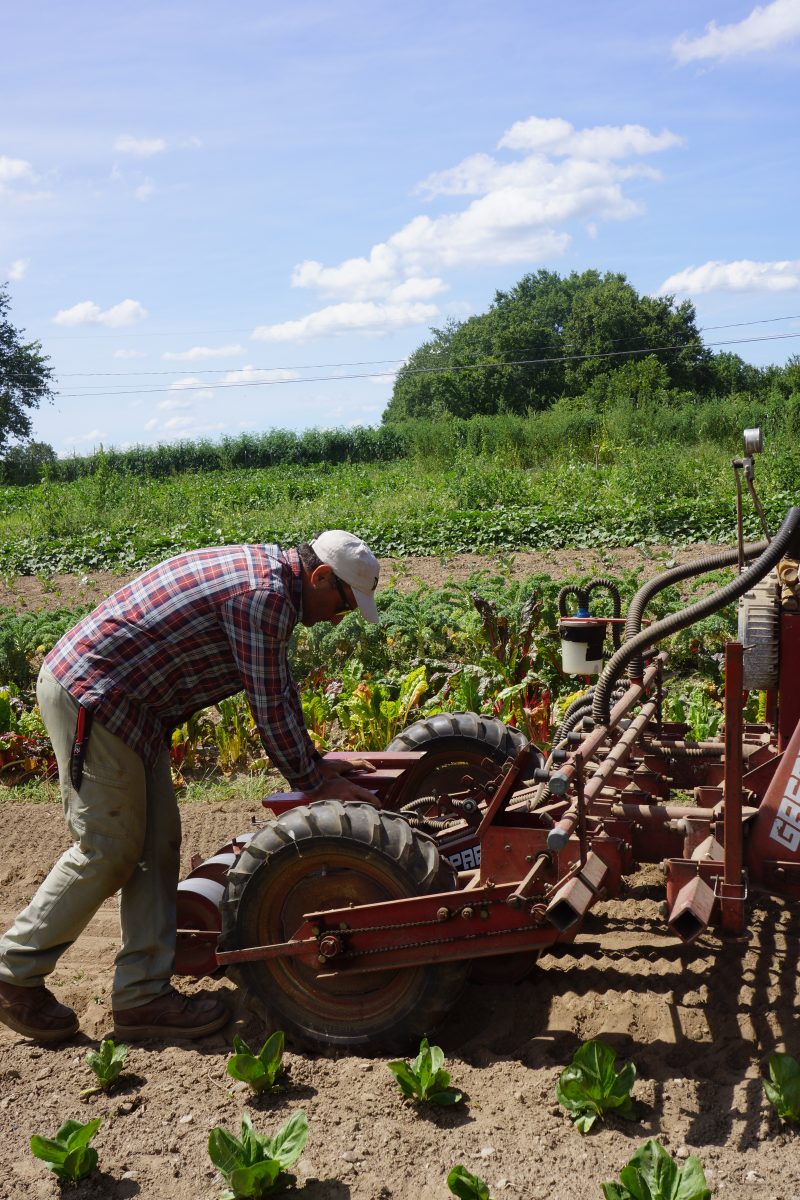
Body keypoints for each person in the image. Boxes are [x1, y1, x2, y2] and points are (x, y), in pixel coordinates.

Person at [0, 530, 381, 1045]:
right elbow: (268, 707)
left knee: (157, 847)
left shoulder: (270, 582)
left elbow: (276, 688)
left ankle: (141, 998)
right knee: (108, 848)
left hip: (135, 707)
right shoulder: (263, 596)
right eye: (343, 603)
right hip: (95, 693)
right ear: (318, 577)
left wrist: (317, 765)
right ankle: (12, 974)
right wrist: (313, 783)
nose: (339, 618)